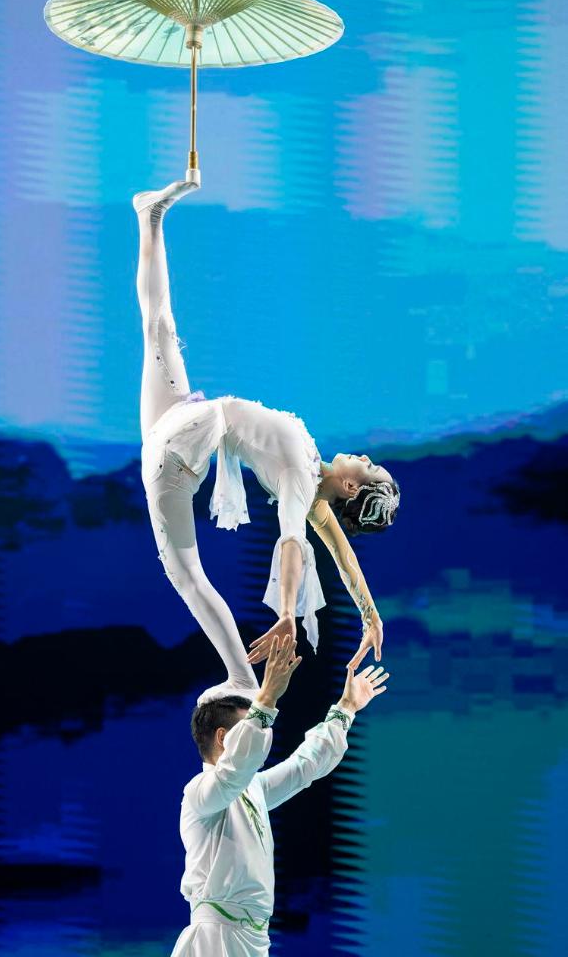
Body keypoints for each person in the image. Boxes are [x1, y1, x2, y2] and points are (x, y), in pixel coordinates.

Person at [134, 179, 400, 702]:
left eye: (370, 469)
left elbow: (294, 543)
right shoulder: (314, 475)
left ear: (351, 488)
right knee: (157, 325)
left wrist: (286, 613)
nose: (367, 457)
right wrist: (370, 615)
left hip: (182, 442)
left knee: (187, 575)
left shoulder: (302, 484)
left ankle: (240, 676)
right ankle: (151, 216)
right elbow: (343, 556)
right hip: (185, 427)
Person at [171, 635, 389, 956]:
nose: (262, 730)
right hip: (215, 938)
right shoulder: (199, 793)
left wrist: (346, 708)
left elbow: (304, 766)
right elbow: (234, 771)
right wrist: (267, 697)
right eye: (250, 724)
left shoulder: (253, 789)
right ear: (223, 737)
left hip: (255, 938)